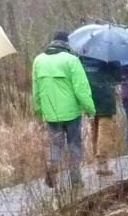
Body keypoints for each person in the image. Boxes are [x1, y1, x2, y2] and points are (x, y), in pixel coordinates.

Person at [31, 30, 96, 187]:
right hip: (71, 113)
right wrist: (90, 109)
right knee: (74, 144)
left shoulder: (38, 61)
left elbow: (35, 89)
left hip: (50, 113)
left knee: (55, 144)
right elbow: (81, 88)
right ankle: (75, 179)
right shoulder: (72, 60)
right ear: (67, 44)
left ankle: (52, 168)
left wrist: (39, 109)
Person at [80, 56, 120, 172]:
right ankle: (102, 162)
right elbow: (117, 77)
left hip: (88, 96)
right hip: (105, 96)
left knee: (95, 129)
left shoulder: (82, 58)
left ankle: (96, 161)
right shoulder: (109, 55)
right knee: (105, 130)